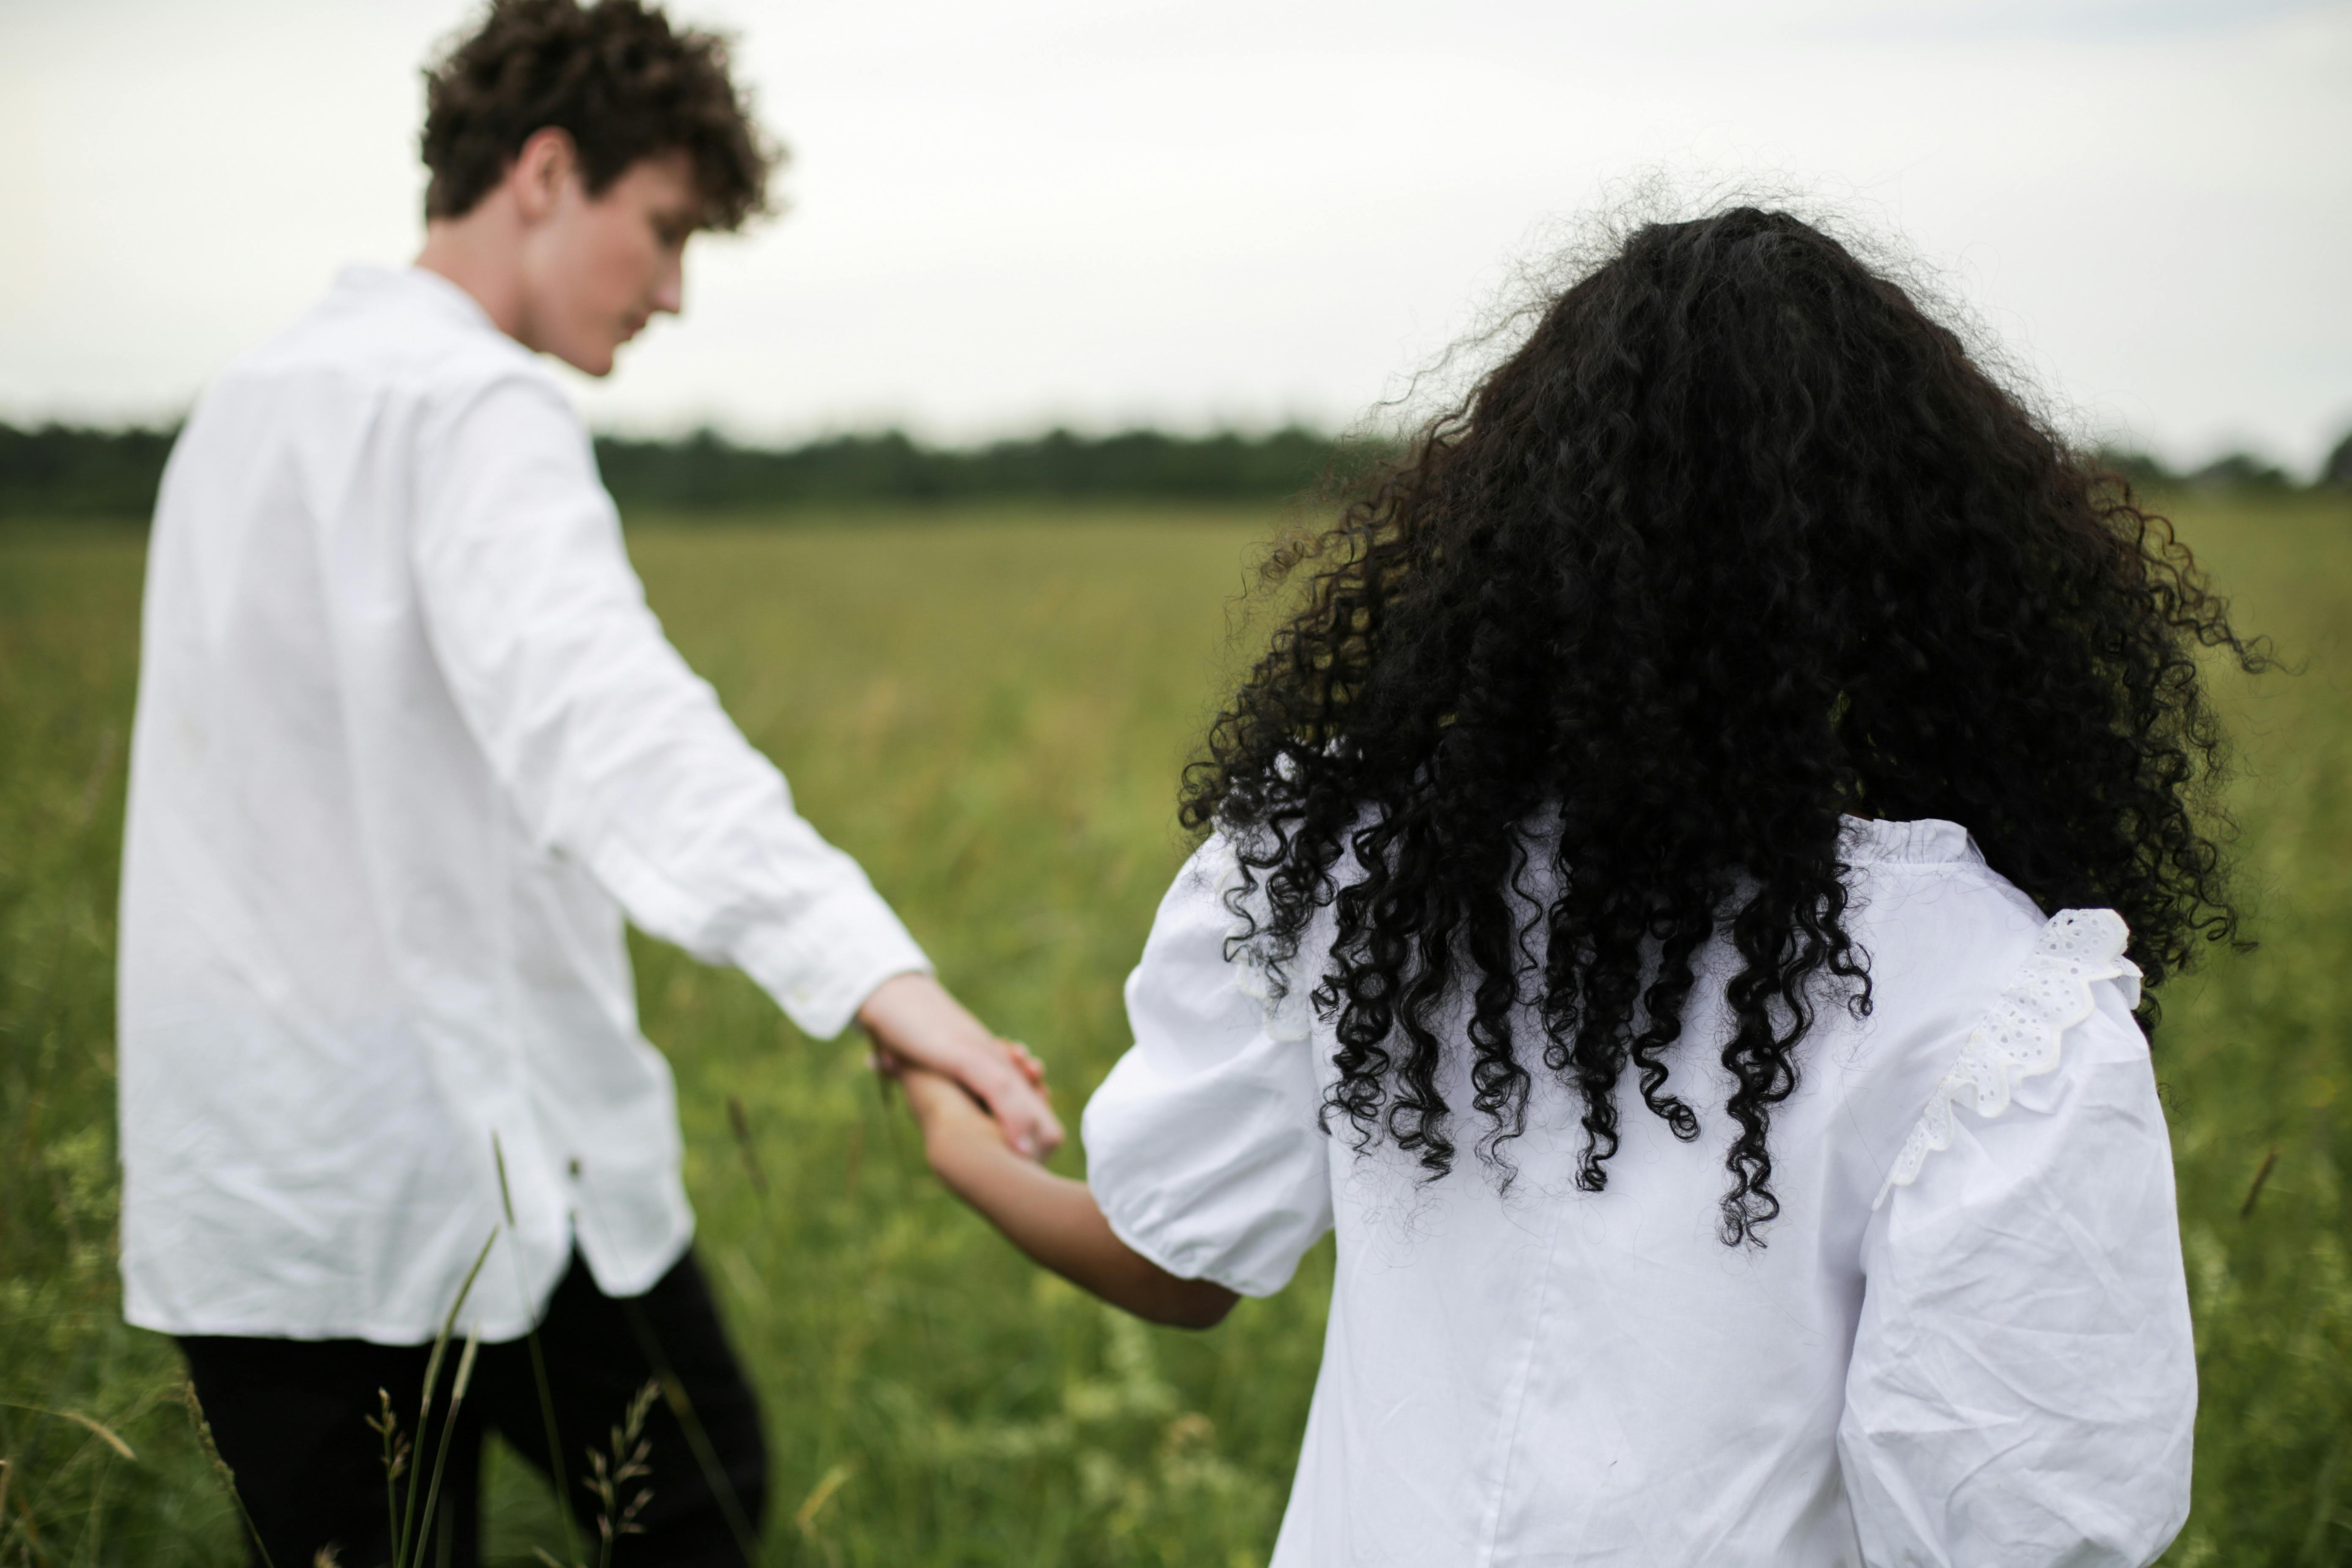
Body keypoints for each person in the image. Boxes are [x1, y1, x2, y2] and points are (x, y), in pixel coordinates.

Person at [890, 206, 2253, 1565]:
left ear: (1519, 537)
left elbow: (1173, 1271)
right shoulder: (1994, 1007)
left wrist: (951, 1133)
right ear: (1931, 572)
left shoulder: (1370, 877)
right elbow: (2031, 1529)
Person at [116, 1, 1059, 1561]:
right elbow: (618, 730)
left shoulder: (249, 398)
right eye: (666, 230)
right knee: (696, 1500)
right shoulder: (472, 405)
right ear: (547, 171)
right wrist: (883, 980)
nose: (677, 290)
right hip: (451, 1140)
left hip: (256, 1175)